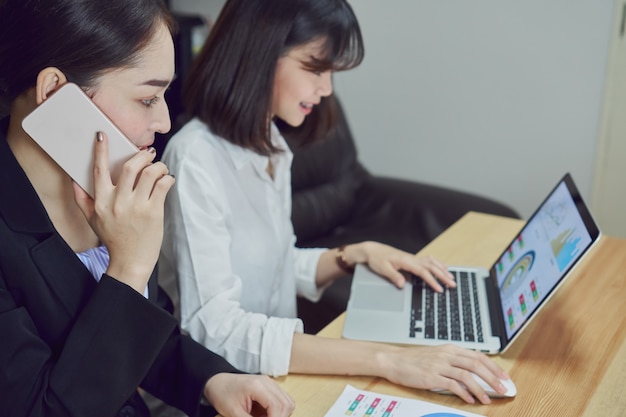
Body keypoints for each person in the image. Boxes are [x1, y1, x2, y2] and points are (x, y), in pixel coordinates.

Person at [160, 0, 511, 406]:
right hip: (225, 397)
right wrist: (389, 360)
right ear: (258, 53)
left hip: (278, 377)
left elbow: (271, 265)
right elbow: (215, 330)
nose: (326, 90)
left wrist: (354, 254)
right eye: (315, 68)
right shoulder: (194, 160)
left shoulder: (269, 143)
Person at [0, 1, 295, 416]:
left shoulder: (105, 185)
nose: (164, 123)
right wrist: (129, 267)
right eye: (147, 98)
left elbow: (140, 331)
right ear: (53, 92)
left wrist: (212, 379)